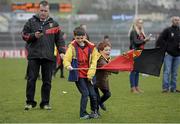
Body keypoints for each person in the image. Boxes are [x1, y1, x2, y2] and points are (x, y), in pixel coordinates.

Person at [22, 0, 65, 110]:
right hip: (34, 56)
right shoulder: (30, 22)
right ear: (38, 10)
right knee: (31, 80)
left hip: (48, 57)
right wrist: (33, 36)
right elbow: (24, 36)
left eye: (45, 10)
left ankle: (45, 103)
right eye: (41, 10)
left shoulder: (54, 24)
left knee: (47, 81)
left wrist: (62, 52)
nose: (43, 12)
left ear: (48, 11)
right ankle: (30, 102)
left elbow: (59, 40)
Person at [63, 27, 99, 119]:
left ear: (85, 36)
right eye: (77, 38)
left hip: (89, 75)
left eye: (81, 38)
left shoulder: (92, 47)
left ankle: (94, 112)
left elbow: (94, 60)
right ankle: (82, 114)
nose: (79, 40)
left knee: (93, 94)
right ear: (74, 37)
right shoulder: (72, 47)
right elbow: (66, 58)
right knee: (85, 94)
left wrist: (91, 72)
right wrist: (68, 66)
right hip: (78, 75)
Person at [156, 16, 180, 93]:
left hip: (178, 55)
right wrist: (166, 48)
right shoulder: (167, 30)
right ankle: (165, 88)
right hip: (168, 54)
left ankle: (173, 88)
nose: (177, 21)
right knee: (167, 71)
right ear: (172, 21)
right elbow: (160, 40)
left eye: (178, 20)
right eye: (175, 20)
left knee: (175, 73)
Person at [128, 18, 150, 93]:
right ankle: (132, 88)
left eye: (142, 23)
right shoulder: (134, 31)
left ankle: (136, 87)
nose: (141, 24)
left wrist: (145, 40)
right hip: (135, 51)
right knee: (133, 71)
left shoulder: (141, 32)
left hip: (140, 52)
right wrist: (144, 40)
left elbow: (141, 43)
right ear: (136, 23)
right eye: (139, 22)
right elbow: (136, 42)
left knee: (137, 70)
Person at [94, 41, 112, 112]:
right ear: (100, 51)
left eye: (109, 50)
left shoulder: (107, 58)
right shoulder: (100, 60)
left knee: (107, 94)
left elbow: (114, 70)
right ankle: (96, 112)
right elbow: (106, 67)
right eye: (106, 50)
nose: (108, 52)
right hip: (94, 81)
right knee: (96, 98)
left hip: (102, 81)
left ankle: (100, 103)